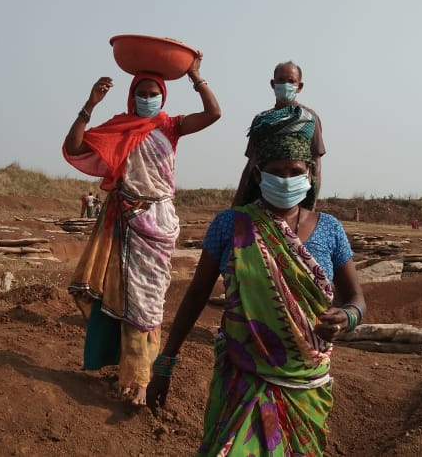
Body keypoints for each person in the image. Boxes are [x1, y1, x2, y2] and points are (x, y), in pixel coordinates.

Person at [147, 111, 365, 455]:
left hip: (305, 386)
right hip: (242, 379)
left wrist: (347, 316)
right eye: (276, 172)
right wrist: (166, 362)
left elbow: (356, 298)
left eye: (295, 172)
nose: (286, 179)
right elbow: (195, 296)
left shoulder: (330, 229)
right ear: (258, 174)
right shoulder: (230, 225)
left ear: (309, 175)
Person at [63, 56, 221, 406]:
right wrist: (89, 105)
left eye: (153, 93)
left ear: (162, 97)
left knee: (150, 298)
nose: (147, 98)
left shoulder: (171, 126)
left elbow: (213, 114)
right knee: (127, 297)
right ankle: (136, 377)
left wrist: (195, 76)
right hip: (124, 222)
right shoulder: (119, 127)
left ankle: (140, 376)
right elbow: (74, 147)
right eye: (141, 93)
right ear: (132, 97)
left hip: (160, 222)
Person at [232, 61, 325, 210]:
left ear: (299, 86)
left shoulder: (308, 118)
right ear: (273, 83)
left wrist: (312, 203)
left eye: (291, 81)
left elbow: (316, 163)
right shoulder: (262, 121)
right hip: (265, 191)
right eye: (281, 80)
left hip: (296, 194)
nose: (285, 85)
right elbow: (251, 163)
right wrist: (238, 201)